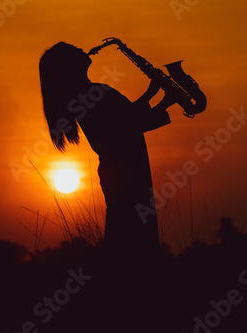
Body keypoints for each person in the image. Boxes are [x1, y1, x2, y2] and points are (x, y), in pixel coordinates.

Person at [39, 41, 175, 331]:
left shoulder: (88, 94)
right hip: (126, 176)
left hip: (121, 175)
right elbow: (130, 125)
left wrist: (154, 94)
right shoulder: (92, 93)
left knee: (125, 244)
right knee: (133, 247)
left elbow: (125, 120)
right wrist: (168, 100)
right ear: (69, 67)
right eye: (74, 51)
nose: (82, 49)